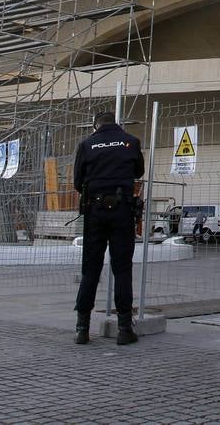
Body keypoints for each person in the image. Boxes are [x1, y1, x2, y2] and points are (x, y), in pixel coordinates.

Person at [72, 109, 145, 346]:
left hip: (95, 211)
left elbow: (76, 182)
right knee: (122, 269)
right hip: (122, 211)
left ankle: (82, 328)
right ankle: (124, 328)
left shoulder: (86, 144)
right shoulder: (131, 142)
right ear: (117, 124)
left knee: (90, 269)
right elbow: (139, 171)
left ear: (95, 126)